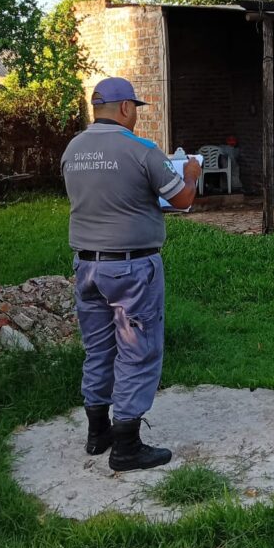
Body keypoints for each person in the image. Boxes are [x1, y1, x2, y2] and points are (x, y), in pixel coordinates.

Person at [61, 77, 201, 472]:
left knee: (99, 348)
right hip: (131, 269)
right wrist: (191, 172)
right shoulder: (141, 150)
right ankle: (126, 447)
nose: (136, 115)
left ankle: (97, 433)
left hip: (86, 266)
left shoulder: (73, 149)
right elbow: (182, 199)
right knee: (137, 350)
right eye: (135, 108)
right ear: (125, 107)